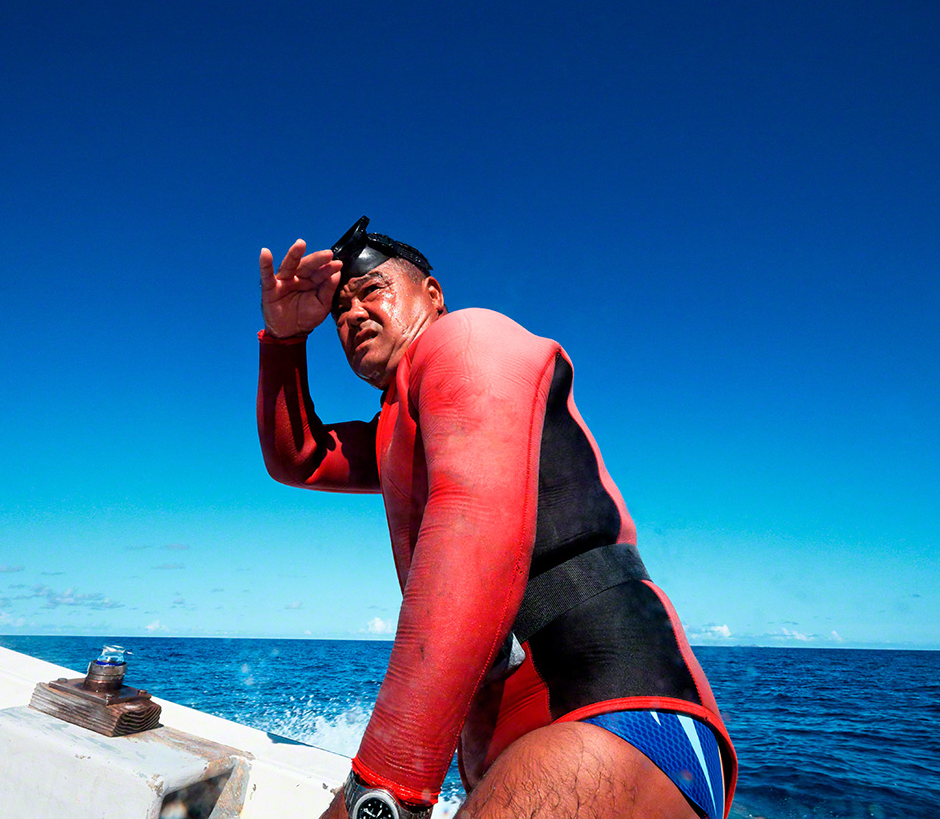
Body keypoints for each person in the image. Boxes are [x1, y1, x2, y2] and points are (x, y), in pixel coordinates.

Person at [256, 218, 737, 819]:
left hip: (618, 707)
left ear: (432, 293)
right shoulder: (397, 428)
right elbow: (300, 456)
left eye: (372, 290)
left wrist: (384, 788)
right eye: (340, 310)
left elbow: (474, 518)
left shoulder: (466, 337)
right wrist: (284, 341)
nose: (351, 315)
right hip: (513, 753)